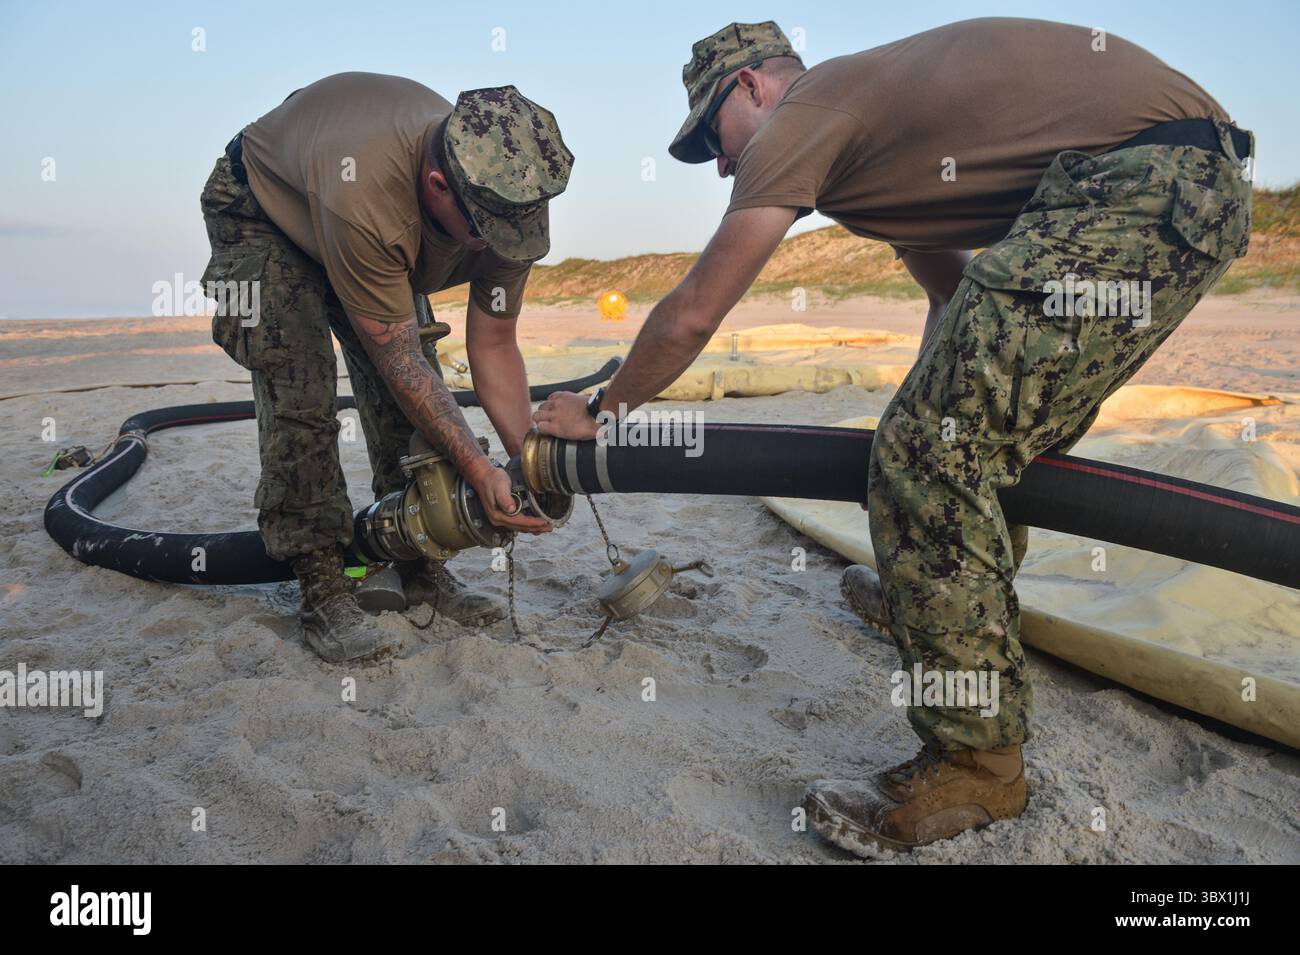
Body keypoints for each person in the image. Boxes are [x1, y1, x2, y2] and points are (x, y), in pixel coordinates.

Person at [533, 19, 1251, 853]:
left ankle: (978, 764)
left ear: (752, 86)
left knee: (931, 451)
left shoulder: (808, 111)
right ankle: (935, 600)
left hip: (1142, 184)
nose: (723, 163)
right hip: (1174, 183)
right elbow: (952, 300)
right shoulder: (886, 150)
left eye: (711, 137)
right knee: (951, 434)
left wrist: (604, 408)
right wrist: (921, 433)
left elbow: (696, 309)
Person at [200, 73, 573, 664]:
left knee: (416, 396)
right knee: (302, 390)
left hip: (357, 213)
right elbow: (394, 359)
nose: (495, 246)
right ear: (436, 187)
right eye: (485, 234)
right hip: (262, 210)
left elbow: (496, 344)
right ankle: (322, 581)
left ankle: (415, 556)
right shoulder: (368, 201)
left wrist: (525, 458)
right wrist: (476, 469)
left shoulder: (510, 202)